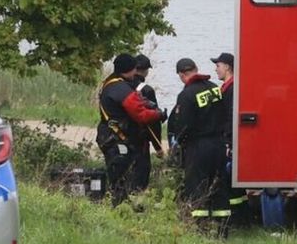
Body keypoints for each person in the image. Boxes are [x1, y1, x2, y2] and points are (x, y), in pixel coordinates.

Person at [169, 58, 230, 234]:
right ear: (196, 69)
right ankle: (222, 230)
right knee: (219, 185)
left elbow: (183, 125)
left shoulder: (186, 95)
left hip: (198, 146)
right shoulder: (214, 88)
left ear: (182, 75)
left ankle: (200, 229)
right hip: (219, 144)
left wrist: (178, 142)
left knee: (196, 186)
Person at [97, 53, 162, 206]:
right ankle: (126, 211)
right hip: (120, 141)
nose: (135, 73)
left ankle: (121, 208)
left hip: (111, 138)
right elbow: (141, 115)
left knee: (119, 179)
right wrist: (158, 114)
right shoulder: (121, 88)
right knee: (126, 180)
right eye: (134, 70)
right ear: (129, 70)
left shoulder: (110, 83)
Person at [212, 52, 249, 225]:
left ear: (227, 67)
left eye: (218, 65)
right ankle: (239, 216)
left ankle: (238, 218)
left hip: (229, 141)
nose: (216, 69)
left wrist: (228, 141)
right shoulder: (227, 88)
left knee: (230, 181)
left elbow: (230, 117)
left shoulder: (232, 88)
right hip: (227, 140)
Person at [130, 54, 164, 192]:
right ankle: (137, 206)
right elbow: (153, 120)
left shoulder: (120, 85)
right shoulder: (146, 90)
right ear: (145, 71)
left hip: (120, 138)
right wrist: (158, 146)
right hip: (140, 140)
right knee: (140, 176)